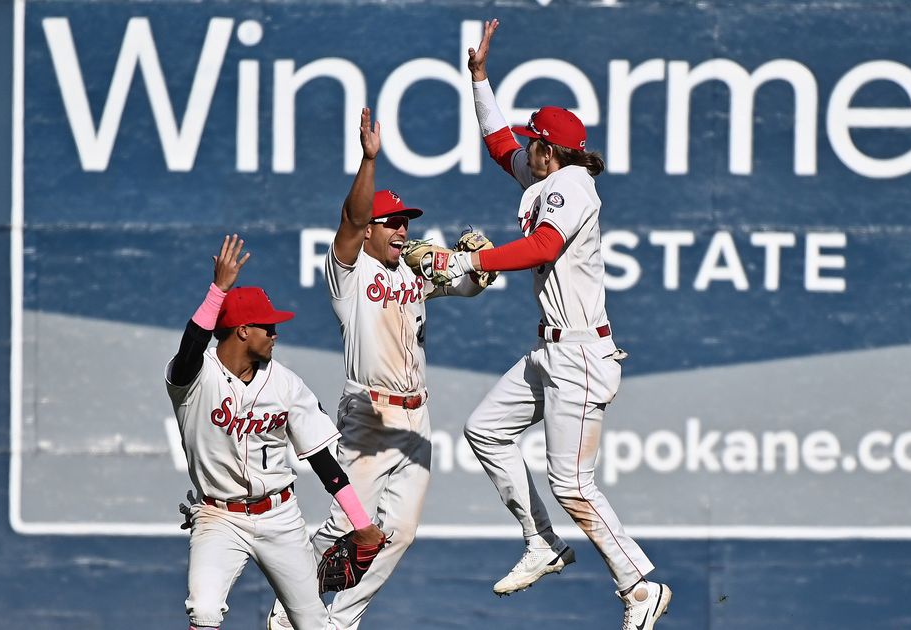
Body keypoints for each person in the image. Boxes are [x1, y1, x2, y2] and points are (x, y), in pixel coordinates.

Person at [418, 19, 673, 630]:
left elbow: (542, 249)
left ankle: (639, 585)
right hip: (550, 352)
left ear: (551, 151)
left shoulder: (574, 186)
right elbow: (499, 142)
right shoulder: (545, 176)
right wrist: (479, 80)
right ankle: (543, 543)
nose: (525, 149)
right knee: (485, 431)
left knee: (573, 483)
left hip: (581, 356)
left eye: (535, 143)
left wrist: (468, 260)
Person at [267, 108, 489, 630]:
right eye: (390, 222)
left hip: (417, 419)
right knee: (348, 525)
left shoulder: (411, 269)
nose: (401, 228)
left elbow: (470, 281)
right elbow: (351, 218)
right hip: (369, 410)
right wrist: (369, 160)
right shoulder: (352, 269)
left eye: (405, 221)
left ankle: (337, 622)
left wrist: (479, 263)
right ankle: (288, 611)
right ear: (370, 231)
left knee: (401, 533)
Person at [166, 235, 384, 630]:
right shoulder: (195, 378)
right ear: (243, 330)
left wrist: (361, 523)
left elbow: (322, 461)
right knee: (204, 609)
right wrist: (218, 291)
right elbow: (189, 350)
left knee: (314, 624)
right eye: (268, 327)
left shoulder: (285, 384)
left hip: (279, 517)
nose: (276, 333)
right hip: (219, 518)